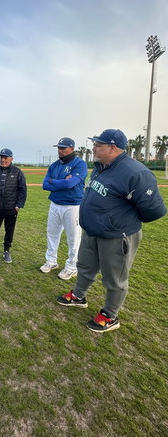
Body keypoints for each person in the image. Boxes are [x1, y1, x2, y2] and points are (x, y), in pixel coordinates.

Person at [57, 129, 167, 332]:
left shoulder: (136, 172)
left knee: (114, 278)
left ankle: (110, 315)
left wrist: (120, 221)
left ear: (113, 147)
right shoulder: (102, 166)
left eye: (98, 145)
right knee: (85, 266)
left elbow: (154, 210)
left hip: (117, 236)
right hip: (93, 231)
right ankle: (79, 296)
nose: (94, 148)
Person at [40, 137, 87, 280]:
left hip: (72, 206)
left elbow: (70, 184)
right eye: (59, 148)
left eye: (63, 148)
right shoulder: (54, 165)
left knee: (73, 238)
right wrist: (59, 182)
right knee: (52, 234)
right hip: (55, 204)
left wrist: (53, 181)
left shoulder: (80, 164)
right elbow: (45, 185)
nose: (60, 150)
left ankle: (72, 267)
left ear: (72, 148)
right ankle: (51, 261)